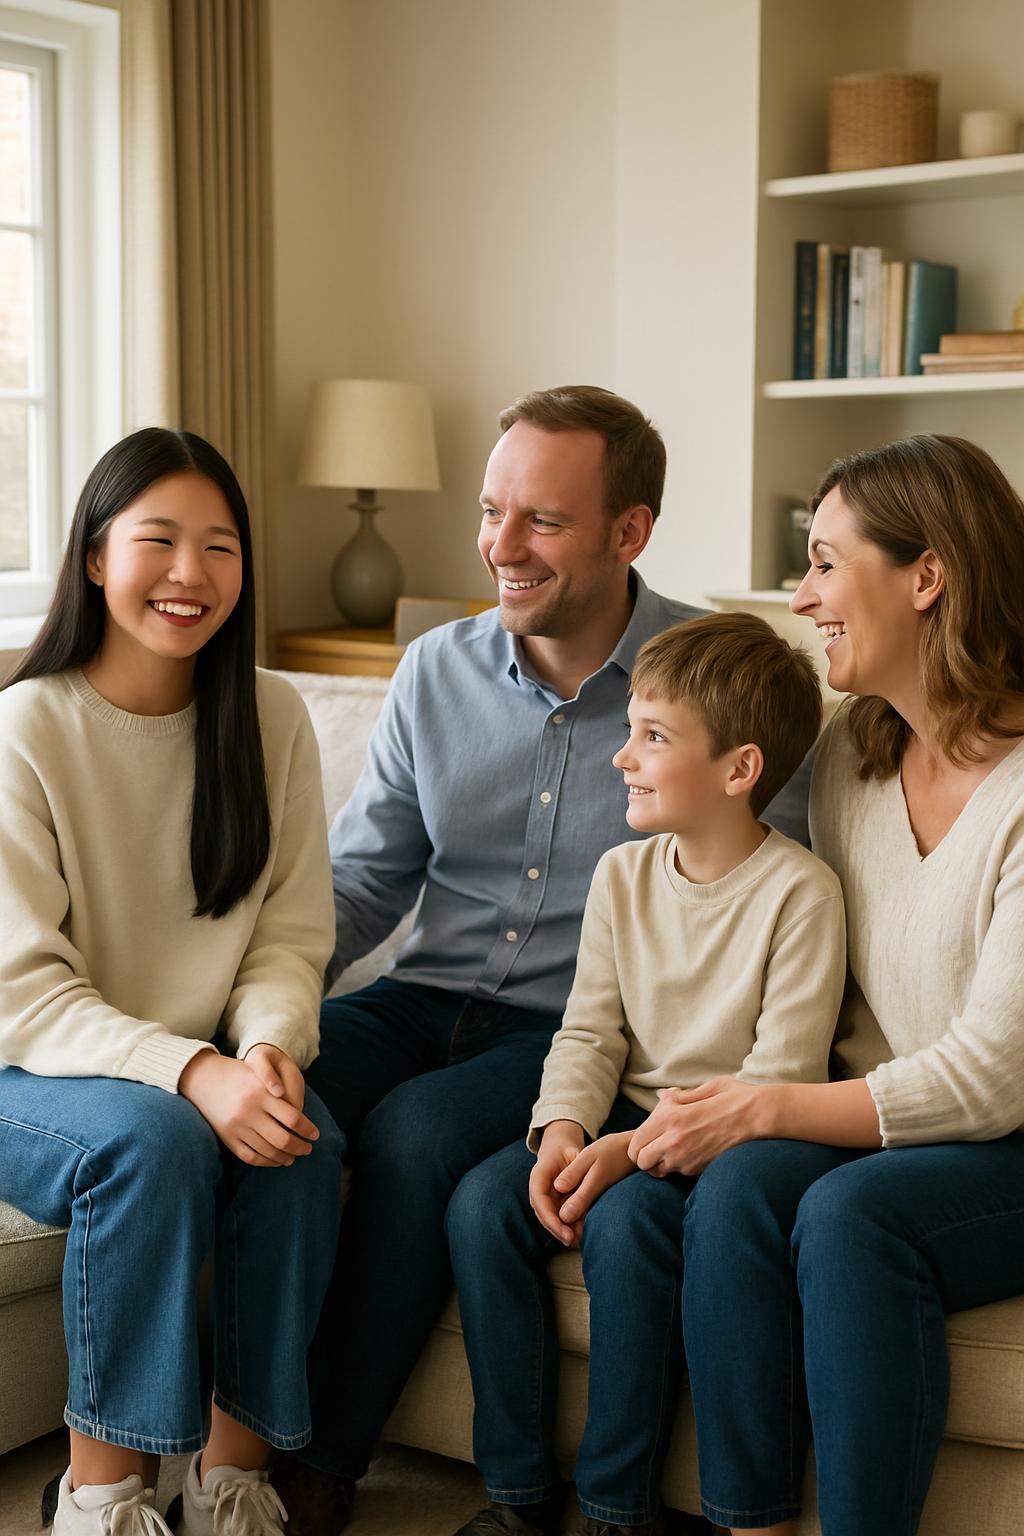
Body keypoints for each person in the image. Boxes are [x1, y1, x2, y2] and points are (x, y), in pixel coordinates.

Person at [280, 386, 809, 1532]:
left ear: (630, 531)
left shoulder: (711, 682)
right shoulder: (433, 669)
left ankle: (321, 1457)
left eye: (542, 522)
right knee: (275, 1104)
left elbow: (771, 870)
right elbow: (369, 879)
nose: (499, 549)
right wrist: (259, 1008)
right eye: (490, 511)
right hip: (417, 991)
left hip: (564, 1026)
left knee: (417, 1138)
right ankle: (224, 1432)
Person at [626, 434, 1024, 1536]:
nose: (800, 599)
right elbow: (725, 864)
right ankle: (747, 1526)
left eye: (821, 563)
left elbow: (995, 1075)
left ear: (926, 575)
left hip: (1011, 1135)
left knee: (850, 1218)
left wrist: (767, 1106)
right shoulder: (853, 755)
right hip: (901, 1115)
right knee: (742, 1188)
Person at [0, 429, 343, 1536]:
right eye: (157, 540)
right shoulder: (26, 726)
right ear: (97, 558)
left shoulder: (270, 718)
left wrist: (269, 1050)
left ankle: (227, 1481)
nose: (191, 574)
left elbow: (285, 937)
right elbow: (25, 992)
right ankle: (100, 1496)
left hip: (188, 1067)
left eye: (220, 546)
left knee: (302, 1137)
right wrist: (192, 1072)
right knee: (148, 1143)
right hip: (28, 1066)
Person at [446, 611, 845, 1536]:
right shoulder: (622, 876)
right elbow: (587, 1033)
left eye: (654, 737)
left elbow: (777, 1074)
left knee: (623, 1231)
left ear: (740, 770)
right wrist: (563, 1134)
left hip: (726, 1132)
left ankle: (615, 1508)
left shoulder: (801, 895)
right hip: (618, 1118)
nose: (622, 757)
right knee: (480, 1206)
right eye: (630, 730)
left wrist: (628, 1153)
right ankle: (515, 1497)